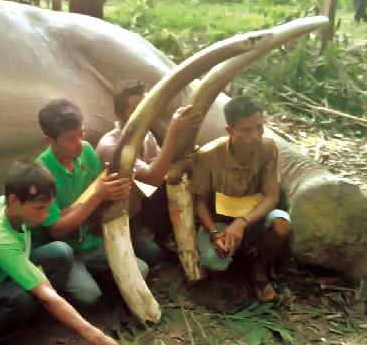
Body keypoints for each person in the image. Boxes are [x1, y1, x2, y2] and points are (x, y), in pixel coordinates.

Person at [0, 161, 122, 345]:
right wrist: (97, 338)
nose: (45, 215)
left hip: (4, 276)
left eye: (48, 207)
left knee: (60, 252)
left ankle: (33, 317)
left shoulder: (5, 205)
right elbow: (46, 294)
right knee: (21, 296)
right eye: (39, 208)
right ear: (14, 200)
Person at [35, 99, 143, 307]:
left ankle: (96, 276)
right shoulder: (41, 173)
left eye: (81, 133)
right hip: (66, 250)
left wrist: (115, 184)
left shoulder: (85, 151)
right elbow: (57, 230)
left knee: (142, 270)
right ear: (49, 140)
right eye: (69, 139)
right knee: (88, 295)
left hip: (91, 239)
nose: (79, 142)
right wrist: (98, 196)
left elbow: (98, 189)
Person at [190, 97, 291, 302]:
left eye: (259, 127)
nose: (255, 136)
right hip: (221, 220)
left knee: (281, 225)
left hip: (255, 217)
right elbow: (199, 202)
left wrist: (242, 222)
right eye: (246, 130)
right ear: (230, 130)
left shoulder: (268, 148)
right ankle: (226, 277)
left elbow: (271, 197)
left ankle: (259, 272)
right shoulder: (209, 155)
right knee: (213, 259)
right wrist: (214, 231)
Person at [96, 81, 201, 265]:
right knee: (151, 257)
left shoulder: (145, 135)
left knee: (178, 179)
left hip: (135, 213)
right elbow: (152, 178)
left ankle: (159, 236)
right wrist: (173, 131)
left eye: (147, 107)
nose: (146, 114)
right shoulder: (112, 146)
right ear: (121, 114)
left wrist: (182, 158)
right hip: (111, 221)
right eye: (137, 109)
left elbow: (162, 167)